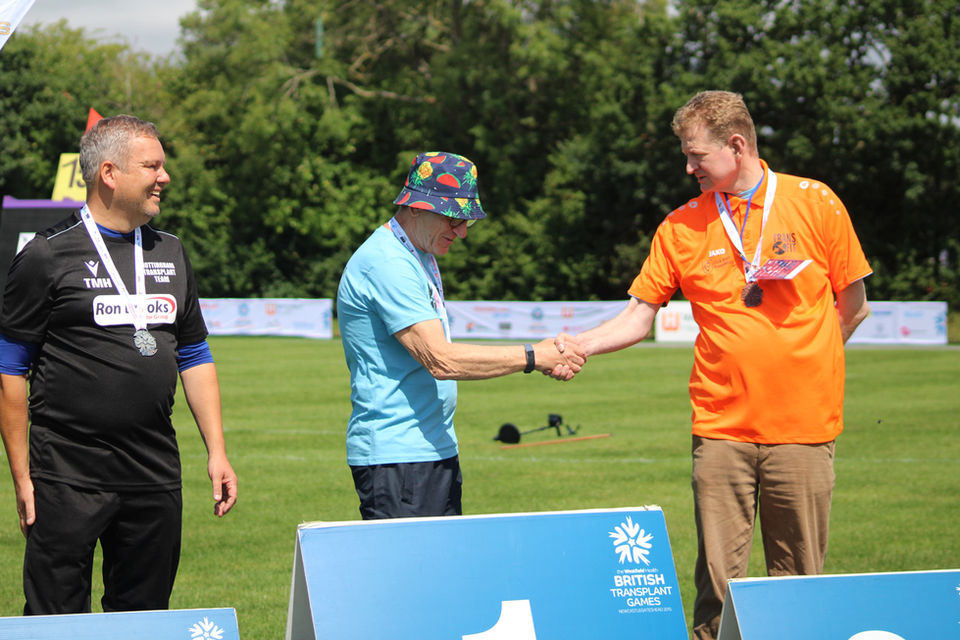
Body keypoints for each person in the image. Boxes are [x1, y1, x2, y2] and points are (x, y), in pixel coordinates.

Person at [555, 91, 871, 640]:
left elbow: (854, 305)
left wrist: (809, 362)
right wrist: (577, 344)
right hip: (721, 429)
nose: (688, 167)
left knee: (799, 585)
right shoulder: (680, 225)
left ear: (736, 145)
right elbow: (638, 317)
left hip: (803, 428)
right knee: (718, 594)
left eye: (696, 154)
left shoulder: (815, 202)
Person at [0, 114, 237, 615]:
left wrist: (217, 451)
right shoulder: (46, 255)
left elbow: (195, 354)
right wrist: (23, 477)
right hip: (66, 473)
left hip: (153, 470)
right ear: (109, 173)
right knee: (55, 619)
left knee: (145, 616)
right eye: (152, 166)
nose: (164, 176)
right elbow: (9, 369)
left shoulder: (171, 250)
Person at [337, 151, 584, 520]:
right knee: (415, 561)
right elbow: (441, 359)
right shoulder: (388, 262)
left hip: (428, 451)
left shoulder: (417, 254)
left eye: (467, 221)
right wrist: (535, 356)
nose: (463, 231)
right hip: (399, 458)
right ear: (416, 207)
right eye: (454, 219)